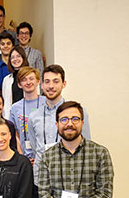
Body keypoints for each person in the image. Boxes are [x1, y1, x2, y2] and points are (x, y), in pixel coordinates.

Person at [27, 64, 91, 196]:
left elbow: (85, 146)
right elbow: (35, 147)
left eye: (56, 81)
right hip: (41, 179)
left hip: (69, 179)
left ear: (64, 84)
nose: (51, 86)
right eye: (47, 81)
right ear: (42, 85)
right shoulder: (34, 116)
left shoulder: (78, 113)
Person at [39, 101, 114, 197]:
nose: (69, 124)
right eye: (64, 119)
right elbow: (43, 193)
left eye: (75, 119)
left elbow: (105, 193)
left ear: (82, 123)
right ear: (57, 124)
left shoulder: (100, 153)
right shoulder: (47, 156)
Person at [0, 119, 33, 198]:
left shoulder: (23, 163)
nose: (0, 139)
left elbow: (25, 193)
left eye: (3, 134)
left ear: (10, 135)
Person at [9, 66, 46, 162]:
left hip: (45, 154)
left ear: (38, 81)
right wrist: (21, 154)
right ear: (19, 84)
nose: (28, 82)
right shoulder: (14, 108)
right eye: (24, 80)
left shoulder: (46, 103)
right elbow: (15, 132)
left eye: (31, 78)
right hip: (24, 156)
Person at [2, 46, 29, 119]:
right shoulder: (6, 79)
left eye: (18, 56)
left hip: (28, 116)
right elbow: (6, 102)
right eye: (12, 57)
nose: (15, 59)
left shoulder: (30, 77)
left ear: (23, 58)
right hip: (11, 116)